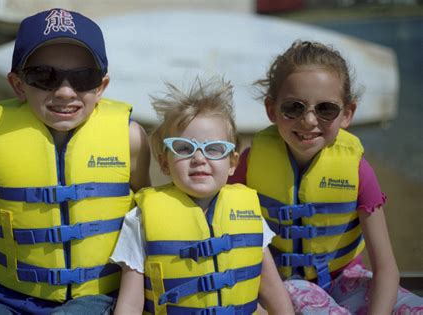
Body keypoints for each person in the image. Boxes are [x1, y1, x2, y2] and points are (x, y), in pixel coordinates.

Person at [0, 8, 151, 314]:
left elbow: (149, 218)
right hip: (9, 299)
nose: (65, 92)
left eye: (83, 78)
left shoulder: (131, 139)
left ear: (101, 87)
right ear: (17, 85)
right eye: (44, 77)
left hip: (97, 299)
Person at [229, 40, 423, 314]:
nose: (309, 120)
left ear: (347, 114)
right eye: (294, 108)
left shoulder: (358, 170)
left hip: (347, 282)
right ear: (272, 110)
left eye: (326, 109)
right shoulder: (250, 163)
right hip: (283, 286)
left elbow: (386, 269)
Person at [110, 76, 294, 315]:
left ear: (232, 163)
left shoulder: (248, 212)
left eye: (214, 149)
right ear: (165, 162)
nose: (199, 159)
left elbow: (271, 288)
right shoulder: (140, 219)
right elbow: (130, 303)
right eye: (184, 148)